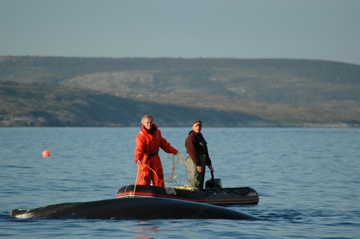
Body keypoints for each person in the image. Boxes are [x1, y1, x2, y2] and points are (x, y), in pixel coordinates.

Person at [134, 115, 179, 187]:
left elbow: (164, 144)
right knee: (144, 179)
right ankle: (142, 193)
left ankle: (160, 194)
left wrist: (174, 151)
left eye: (150, 122)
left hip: (156, 159)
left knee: (159, 180)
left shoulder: (158, 133)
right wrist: (138, 158)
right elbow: (139, 148)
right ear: (143, 124)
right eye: (147, 122)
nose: (149, 124)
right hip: (145, 160)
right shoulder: (140, 136)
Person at [185, 120, 214, 189]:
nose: (198, 127)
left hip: (202, 160)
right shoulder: (191, 138)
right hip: (194, 161)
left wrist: (209, 164)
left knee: (200, 180)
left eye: (200, 126)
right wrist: (198, 164)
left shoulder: (200, 137)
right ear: (192, 127)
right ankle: (192, 194)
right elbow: (192, 152)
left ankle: (200, 193)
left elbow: (205, 151)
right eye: (196, 126)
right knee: (195, 179)